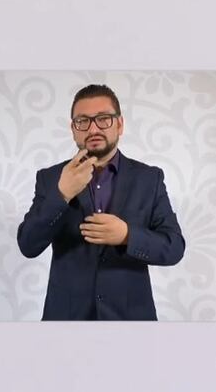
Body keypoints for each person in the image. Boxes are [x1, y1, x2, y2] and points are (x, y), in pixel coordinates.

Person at [17, 84, 185, 320]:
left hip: (132, 321)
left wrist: (128, 235)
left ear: (120, 124)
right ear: (73, 129)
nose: (93, 128)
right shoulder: (50, 178)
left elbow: (174, 247)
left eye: (103, 119)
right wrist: (61, 194)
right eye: (83, 121)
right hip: (66, 321)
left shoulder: (149, 178)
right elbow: (28, 245)